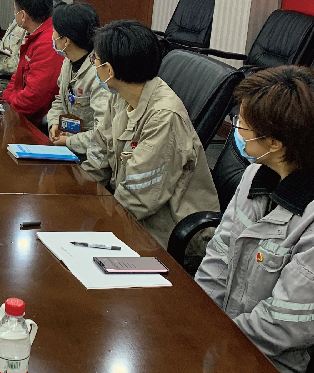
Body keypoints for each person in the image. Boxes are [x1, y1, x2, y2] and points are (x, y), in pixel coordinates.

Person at [195, 66, 314, 373]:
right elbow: (218, 258)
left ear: (274, 142)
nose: (236, 129)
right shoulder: (253, 175)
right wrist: (195, 324)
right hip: (221, 340)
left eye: (242, 124)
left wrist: (216, 342)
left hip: (272, 367)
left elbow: (285, 324)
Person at [81, 19, 219, 247]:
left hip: (164, 231)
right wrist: (77, 196)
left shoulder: (164, 117)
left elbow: (138, 198)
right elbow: (99, 157)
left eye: (95, 59)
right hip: (129, 213)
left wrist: (96, 225)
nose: (93, 64)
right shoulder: (120, 95)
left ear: (109, 70)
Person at [45, 2, 109, 156]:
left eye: (54, 31)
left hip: (90, 155)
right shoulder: (69, 60)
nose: (52, 36)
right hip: (67, 143)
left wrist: (69, 142)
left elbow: (103, 135)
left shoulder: (99, 75)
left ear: (66, 41)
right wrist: (54, 123)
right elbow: (60, 99)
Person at [0, 0, 63, 126]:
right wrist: (3, 105)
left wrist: (8, 113)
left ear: (23, 15)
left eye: (15, 10)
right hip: (16, 113)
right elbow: (17, 79)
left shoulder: (49, 42)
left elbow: (35, 96)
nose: (14, 13)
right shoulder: (35, 34)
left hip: (32, 123)